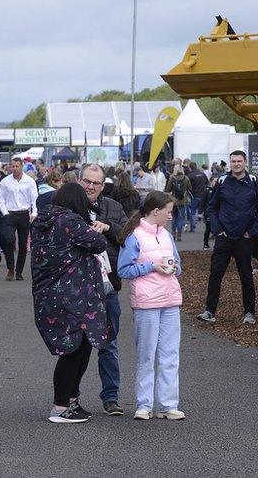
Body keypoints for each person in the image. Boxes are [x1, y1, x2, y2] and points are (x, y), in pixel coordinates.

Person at [30, 183, 110, 424]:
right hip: (72, 297)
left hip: (49, 296)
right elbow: (99, 244)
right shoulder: (70, 222)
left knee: (80, 347)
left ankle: (71, 400)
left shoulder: (42, 221)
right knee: (73, 351)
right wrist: (92, 227)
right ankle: (60, 406)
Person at [117, 191, 185, 421]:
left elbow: (179, 265)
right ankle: (144, 404)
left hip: (170, 299)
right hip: (146, 302)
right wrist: (151, 266)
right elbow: (124, 270)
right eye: (168, 211)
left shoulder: (166, 235)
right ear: (156, 211)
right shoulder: (134, 236)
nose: (171, 216)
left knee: (170, 354)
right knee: (146, 355)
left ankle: (168, 404)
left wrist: (174, 268)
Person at [80, 164, 128, 416]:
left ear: (103, 185)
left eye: (95, 183)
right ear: (80, 181)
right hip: (77, 288)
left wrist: (107, 226)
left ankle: (111, 397)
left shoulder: (114, 207)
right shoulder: (69, 206)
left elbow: (127, 236)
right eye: (87, 181)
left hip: (109, 286)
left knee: (109, 344)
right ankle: (69, 397)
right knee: (76, 345)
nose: (90, 187)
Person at [199, 150, 258, 325]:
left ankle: (249, 313)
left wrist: (252, 231)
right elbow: (212, 208)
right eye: (233, 161)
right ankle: (209, 311)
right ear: (230, 163)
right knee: (215, 274)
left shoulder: (253, 182)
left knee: (246, 276)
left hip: (244, 237)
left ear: (245, 162)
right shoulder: (222, 181)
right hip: (224, 237)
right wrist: (217, 229)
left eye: (239, 161)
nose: (236, 164)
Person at [0, 157, 38, 281]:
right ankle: (10, 268)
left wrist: (34, 212)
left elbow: (34, 198)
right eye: (12, 166)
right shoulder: (5, 181)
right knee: (9, 240)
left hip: (24, 214)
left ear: (22, 166)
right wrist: (5, 213)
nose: (14, 168)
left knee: (23, 245)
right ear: (10, 167)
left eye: (17, 166)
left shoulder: (29, 181)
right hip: (10, 214)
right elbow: (0, 199)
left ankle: (19, 271)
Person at [164, 165, 191, 241]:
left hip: (173, 201)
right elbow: (190, 189)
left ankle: (173, 234)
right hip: (182, 201)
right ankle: (179, 235)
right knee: (180, 219)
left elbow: (168, 189)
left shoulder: (172, 178)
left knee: (174, 218)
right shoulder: (186, 178)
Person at [187, 162, 208, 233]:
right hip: (203, 195)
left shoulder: (190, 176)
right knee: (205, 212)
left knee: (193, 212)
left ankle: (193, 228)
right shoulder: (202, 174)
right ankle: (208, 227)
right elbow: (207, 183)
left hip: (194, 196)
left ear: (190, 167)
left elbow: (188, 187)